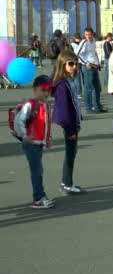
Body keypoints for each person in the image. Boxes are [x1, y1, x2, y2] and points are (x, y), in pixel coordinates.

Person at [15, 75, 54, 208]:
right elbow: (19, 121)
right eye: (43, 89)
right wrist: (25, 136)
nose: (46, 93)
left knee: (38, 170)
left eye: (48, 90)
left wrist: (48, 139)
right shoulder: (30, 104)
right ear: (35, 90)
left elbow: (47, 124)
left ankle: (40, 195)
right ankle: (38, 198)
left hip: (39, 143)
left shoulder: (47, 105)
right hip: (30, 144)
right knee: (36, 171)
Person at [52, 50, 85, 195]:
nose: (74, 66)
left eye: (76, 64)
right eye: (70, 64)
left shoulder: (69, 80)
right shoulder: (61, 84)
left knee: (72, 152)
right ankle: (66, 183)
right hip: (69, 124)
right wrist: (71, 129)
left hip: (73, 122)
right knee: (70, 153)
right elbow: (65, 110)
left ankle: (67, 182)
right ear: (62, 64)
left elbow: (74, 103)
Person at [75, 28, 106, 114]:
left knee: (97, 87)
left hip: (95, 66)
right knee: (88, 88)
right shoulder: (84, 42)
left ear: (92, 34)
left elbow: (94, 53)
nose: (88, 36)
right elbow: (77, 54)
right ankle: (89, 107)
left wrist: (98, 63)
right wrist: (86, 63)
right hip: (87, 67)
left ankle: (97, 106)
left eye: (89, 34)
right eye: (86, 34)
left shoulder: (93, 41)